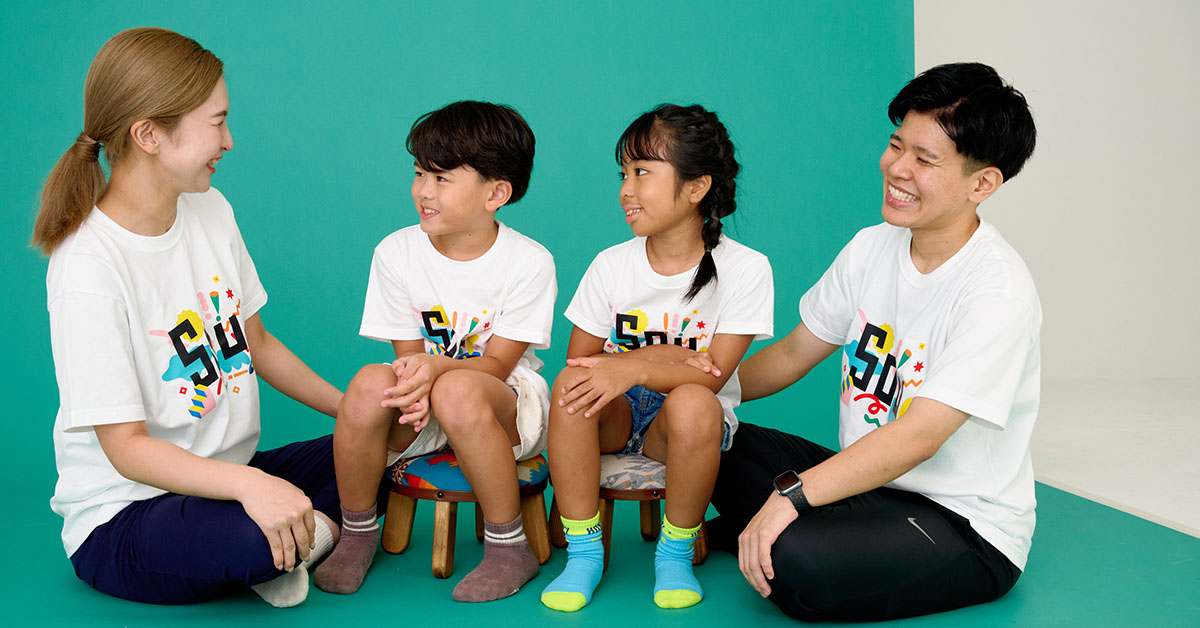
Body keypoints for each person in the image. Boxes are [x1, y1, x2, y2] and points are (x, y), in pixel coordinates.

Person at [708, 62, 1040, 621]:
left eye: (925, 159)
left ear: (982, 184)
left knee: (801, 566)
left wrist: (791, 496)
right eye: (896, 145)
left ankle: (777, 531)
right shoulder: (871, 246)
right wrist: (689, 391)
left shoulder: (998, 290)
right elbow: (791, 354)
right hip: (868, 486)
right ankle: (777, 526)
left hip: (960, 524)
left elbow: (919, 438)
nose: (896, 168)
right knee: (702, 435)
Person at [37, 27, 345, 607]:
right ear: (149, 134)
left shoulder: (210, 208)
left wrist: (353, 413)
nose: (228, 140)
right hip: (125, 516)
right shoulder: (88, 266)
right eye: (217, 122)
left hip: (225, 477)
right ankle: (312, 537)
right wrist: (251, 485)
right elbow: (126, 448)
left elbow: (256, 341)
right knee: (252, 540)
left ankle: (304, 538)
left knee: (376, 450)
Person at [312, 101, 556, 602]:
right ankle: (357, 531)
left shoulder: (529, 261)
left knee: (459, 389)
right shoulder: (396, 252)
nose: (423, 190)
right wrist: (416, 384)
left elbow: (498, 365)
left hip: (504, 403)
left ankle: (509, 547)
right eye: (420, 172)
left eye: (442, 178)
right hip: (424, 394)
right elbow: (407, 359)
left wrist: (439, 368)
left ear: (496, 193)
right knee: (368, 383)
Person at [541, 104, 774, 612]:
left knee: (693, 400)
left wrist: (636, 366)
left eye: (642, 172)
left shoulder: (746, 269)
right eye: (623, 174)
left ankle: (674, 555)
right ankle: (583, 554)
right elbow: (580, 364)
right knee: (569, 390)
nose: (626, 189)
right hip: (617, 414)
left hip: (684, 425)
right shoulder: (611, 265)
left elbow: (712, 377)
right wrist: (665, 355)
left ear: (696, 187)